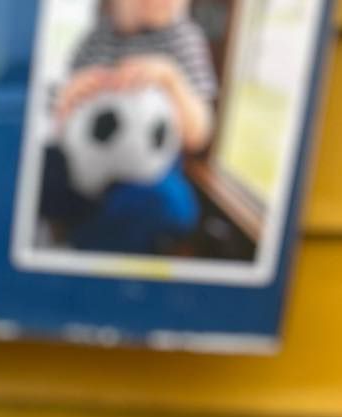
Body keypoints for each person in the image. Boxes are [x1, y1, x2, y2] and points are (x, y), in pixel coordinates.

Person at [42, 0, 217, 255]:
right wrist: (69, 99)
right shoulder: (95, 39)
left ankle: (83, 249)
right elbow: (63, 122)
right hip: (86, 169)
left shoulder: (185, 39)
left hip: (149, 175)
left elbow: (199, 135)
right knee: (38, 170)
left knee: (169, 205)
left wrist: (172, 80)